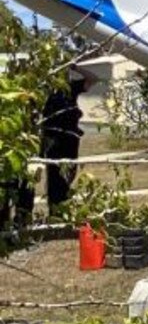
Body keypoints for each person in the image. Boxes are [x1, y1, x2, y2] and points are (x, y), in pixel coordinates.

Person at [41, 68, 88, 214]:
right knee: (55, 176)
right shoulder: (45, 91)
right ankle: (55, 210)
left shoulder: (70, 89)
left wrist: (78, 68)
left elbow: (93, 80)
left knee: (69, 173)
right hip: (53, 139)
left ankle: (65, 208)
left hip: (70, 140)